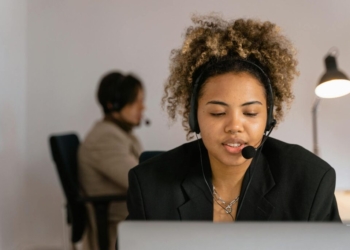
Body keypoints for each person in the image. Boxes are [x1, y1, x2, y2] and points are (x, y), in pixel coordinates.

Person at [126, 14, 341, 222]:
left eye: (250, 113)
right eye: (218, 113)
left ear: (268, 118)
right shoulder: (149, 186)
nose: (235, 126)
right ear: (194, 116)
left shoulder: (310, 182)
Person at [79, 71, 145, 249]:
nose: (142, 107)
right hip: (120, 230)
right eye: (135, 101)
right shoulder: (105, 138)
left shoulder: (118, 133)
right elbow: (141, 181)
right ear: (113, 104)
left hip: (131, 220)